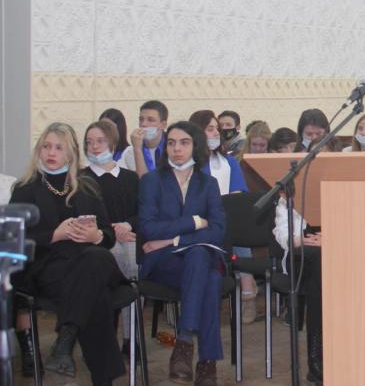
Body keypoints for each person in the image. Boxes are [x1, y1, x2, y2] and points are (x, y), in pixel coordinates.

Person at [10, 122, 125, 385]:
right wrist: (54, 235)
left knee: (95, 258)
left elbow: (107, 233)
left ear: (71, 154)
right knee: (96, 291)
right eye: (46, 146)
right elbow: (15, 241)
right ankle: (100, 376)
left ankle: (67, 337)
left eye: (59, 148)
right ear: (39, 151)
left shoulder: (87, 186)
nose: (51, 152)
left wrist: (96, 236)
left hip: (87, 262)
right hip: (49, 269)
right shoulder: (25, 188)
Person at [138, 120, 226, 386]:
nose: (176, 148)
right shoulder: (152, 180)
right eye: (172, 143)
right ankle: (206, 363)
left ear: (195, 146)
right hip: (164, 263)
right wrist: (194, 222)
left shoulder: (208, 183)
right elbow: (148, 228)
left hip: (189, 256)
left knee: (201, 261)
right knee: (209, 277)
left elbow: (218, 230)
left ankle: (184, 343)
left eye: (184, 142)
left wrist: (173, 239)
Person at [189, 110, 259, 323]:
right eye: (210, 129)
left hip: (225, 218)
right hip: (197, 222)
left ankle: (248, 292)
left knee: (236, 226)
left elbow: (237, 197)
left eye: (216, 129)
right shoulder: (188, 164)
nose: (216, 133)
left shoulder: (229, 162)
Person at [83, 119, 141, 356]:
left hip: (128, 235)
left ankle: (131, 337)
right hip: (99, 239)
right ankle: (106, 336)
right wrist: (109, 230)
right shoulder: (82, 179)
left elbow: (142, 212)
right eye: (89, 142)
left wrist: (127, 225)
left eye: (100, 141)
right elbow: (83, 214)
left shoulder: (130, 178)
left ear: (113, 143)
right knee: (115, 255)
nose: (94, 147)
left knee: (134, 259)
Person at [273, 180, 326, 382]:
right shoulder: (292, 191)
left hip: (340, 249)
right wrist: (303, 239)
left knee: (323, 259)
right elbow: (282, 234)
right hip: (300, 255)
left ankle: (324, 358)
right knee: (318, 259)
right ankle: (317, 357)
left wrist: (333, 238)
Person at [126, 99, 168, 175]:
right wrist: (137, 149)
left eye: (150, 120)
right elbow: (143, 180)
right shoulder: (131, 151)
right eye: (141, 119)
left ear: (163, 125)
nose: (144, 124)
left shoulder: (172, 147)